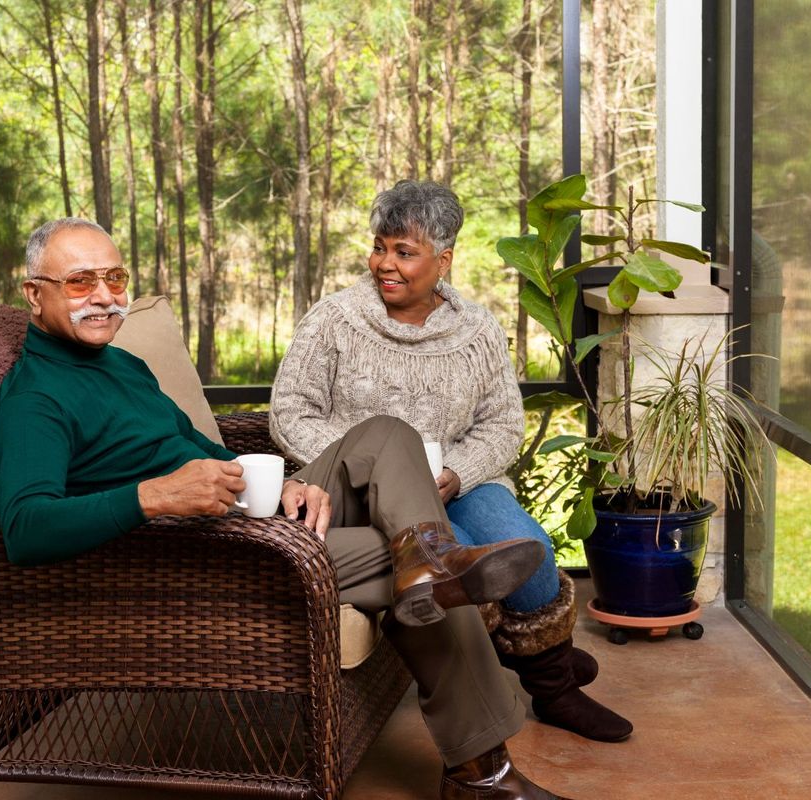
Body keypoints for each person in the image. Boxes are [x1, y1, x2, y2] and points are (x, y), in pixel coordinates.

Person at [0, 216, 573, 800]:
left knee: (386, 437)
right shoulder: (34, 397)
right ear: (33, 294)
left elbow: (201, 449)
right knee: (395, 554)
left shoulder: (123, 365)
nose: (103, 296)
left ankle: (432, 558)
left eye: (114, 278)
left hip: (235, 513)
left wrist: (276, 485)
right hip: (185, 553)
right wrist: (153, 495)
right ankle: (482, 774)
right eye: (78, 282)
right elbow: (24, 529)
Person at [269, 181, 632, 743]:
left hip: (461, 479)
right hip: (368, 493)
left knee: (526, 546)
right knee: (461, 564)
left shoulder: (477, 330)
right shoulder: (334, 320)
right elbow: (290, 413)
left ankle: (548, 677)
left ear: (444, 260)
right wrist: (373, 468)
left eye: (404, 252)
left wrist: (457, 472)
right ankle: (553, 682)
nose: (384, 264)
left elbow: (503, 425)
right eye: (379, 246)